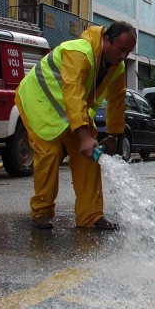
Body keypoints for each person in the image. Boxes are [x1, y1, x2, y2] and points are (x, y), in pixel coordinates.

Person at [15, 21, 137, 230]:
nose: (124, 55)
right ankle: (41, 212)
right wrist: (83, 135)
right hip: (38, 101)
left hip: (67, 109)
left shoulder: (117, 67)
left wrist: (115, 136)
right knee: (50, 153)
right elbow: (73, 92)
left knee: (89, 157)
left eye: (128, 51)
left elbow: (117, 100)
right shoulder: (79, 52)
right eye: (121, 49)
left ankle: (90, 216)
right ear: (106, 38)